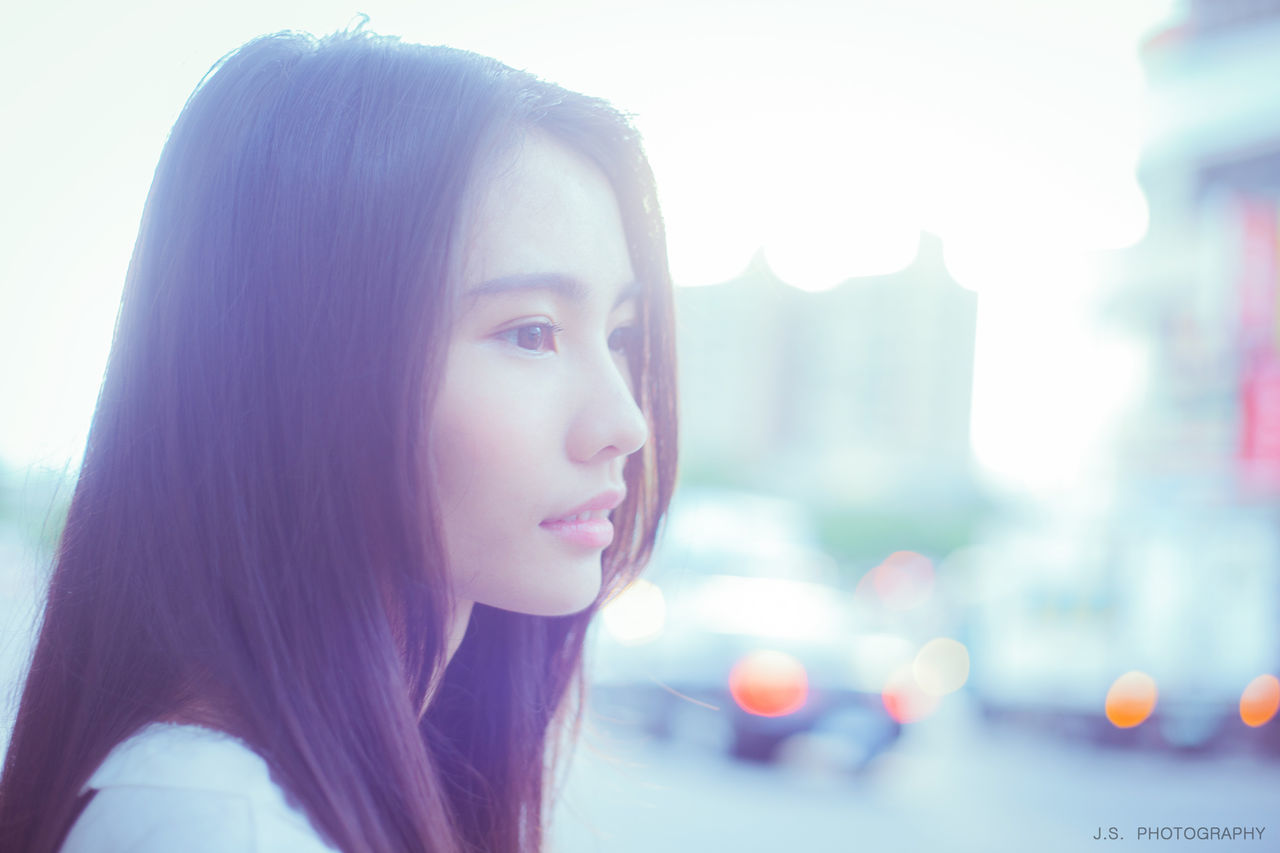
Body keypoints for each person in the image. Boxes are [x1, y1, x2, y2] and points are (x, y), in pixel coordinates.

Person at [0, 23, 678, 853]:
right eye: (531, 333)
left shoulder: (328, 788)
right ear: (306, 366)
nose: (625, 424)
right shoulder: (214, 825)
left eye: (620, 335)